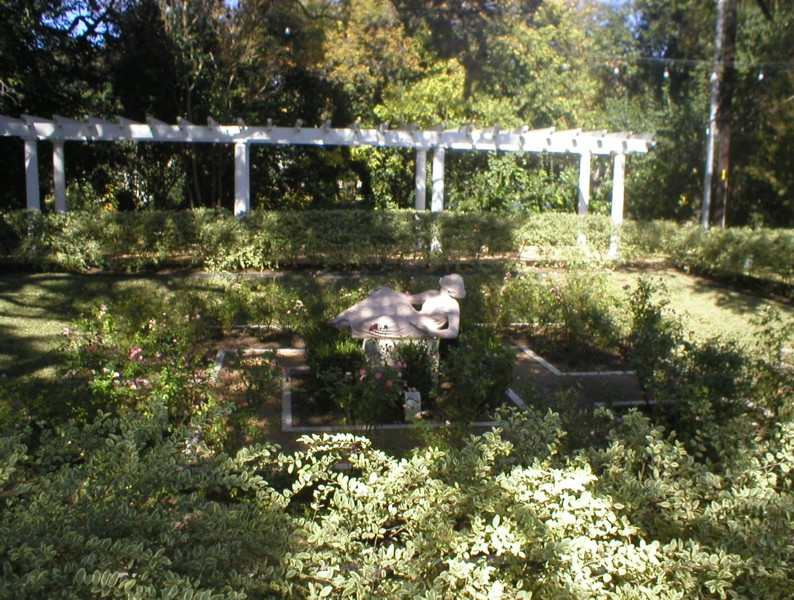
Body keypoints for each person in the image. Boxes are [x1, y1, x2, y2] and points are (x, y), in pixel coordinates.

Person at [329, 274, 465, 339]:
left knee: (385, 320)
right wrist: (390, 291)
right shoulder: (431, 293)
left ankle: (348, 324)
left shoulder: (452, 305)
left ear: (451, 288)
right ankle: (345, 316)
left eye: (449, 278)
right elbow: (409, 298)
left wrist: (430, 330)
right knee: (385, 293)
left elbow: (453, 332)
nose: (446, 276)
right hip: (412, 316)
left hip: (419, 328)